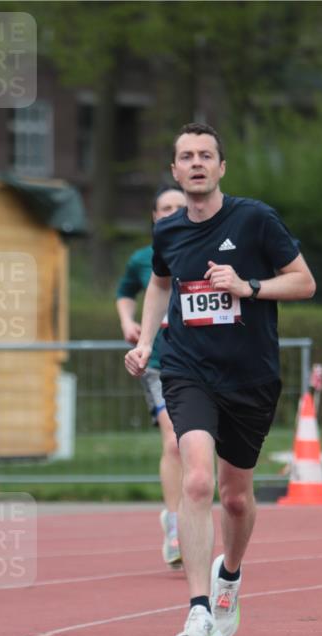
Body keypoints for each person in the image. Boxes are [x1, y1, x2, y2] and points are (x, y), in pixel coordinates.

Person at [125, 124, 316, 636]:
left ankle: (229, 576)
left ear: (221, 167)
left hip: (250, 377)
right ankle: (199, 611)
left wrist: (247, 287)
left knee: (235, 497)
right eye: (185, 156)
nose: (196, 163)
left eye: (205, 155)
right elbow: (161, 284)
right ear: (175, 170)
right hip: (188, 370)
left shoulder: (255, 219)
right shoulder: (168, 232)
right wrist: (145, 343)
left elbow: (304, 281)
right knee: (197, 481)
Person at [116, 184, 187, 567]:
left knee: (200, 445)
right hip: (160, 361)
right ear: (155, 217)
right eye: (165, 207)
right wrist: (129, 322)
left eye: (179, 206)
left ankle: (189, 512)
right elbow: (125, 291)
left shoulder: (207, 248)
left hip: (203, 360)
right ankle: (176, 526)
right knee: (175, 441)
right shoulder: (143, 258)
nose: (173, 212)